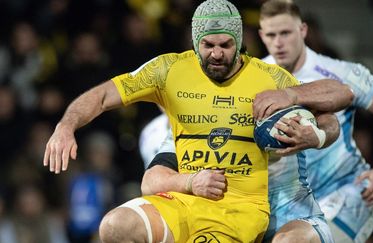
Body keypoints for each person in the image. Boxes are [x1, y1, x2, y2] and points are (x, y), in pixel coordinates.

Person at [43, 0, 353, 241]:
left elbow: (336, 104)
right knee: (114, 227)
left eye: (226, 45)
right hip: (184, 200)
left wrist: (306, 120)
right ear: (195, 42)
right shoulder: (168, 71)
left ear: (239, 42)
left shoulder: (270, 78)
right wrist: (66, 126)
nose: (217, 54)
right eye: (208, 45)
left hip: (240, 208)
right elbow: (100, 96)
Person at [142, 1, 373, 242]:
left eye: (285, 33)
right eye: (271, 35)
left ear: (303, 31)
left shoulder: (341, 73)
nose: (278, 42)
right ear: (261, 36)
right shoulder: (254, 75)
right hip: (285, 198)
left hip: (341, 192)